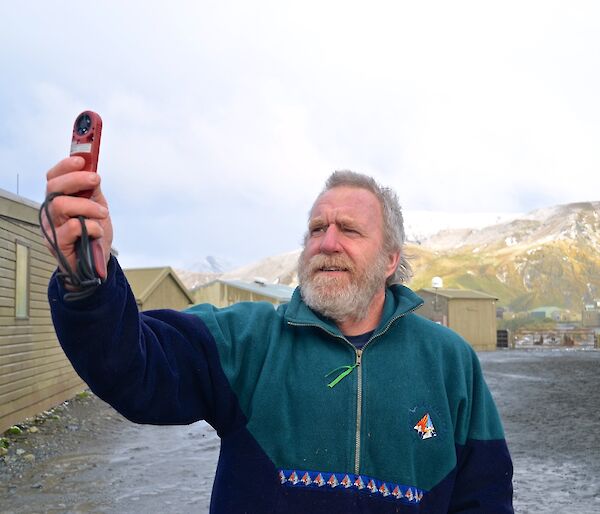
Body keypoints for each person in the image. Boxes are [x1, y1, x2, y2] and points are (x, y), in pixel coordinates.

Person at [43, 157, 513, 513]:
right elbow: (135, 366)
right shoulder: (248, 340)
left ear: (390, 259)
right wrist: (88, 280)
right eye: (316, 229)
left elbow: (485, 497)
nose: (327, 243)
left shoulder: (449, 361)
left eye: (348, 229)